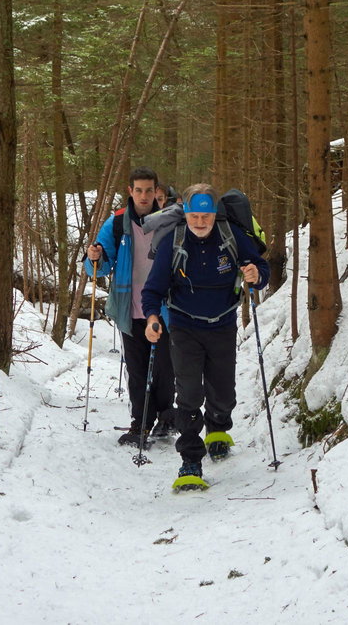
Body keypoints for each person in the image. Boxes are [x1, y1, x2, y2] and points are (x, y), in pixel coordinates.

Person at [141, 183, 269, 489]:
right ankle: (190, 461)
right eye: (195, 216)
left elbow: (261, 268)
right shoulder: (175, 240)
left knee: (223, 391)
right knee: (188, 395)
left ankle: (218, 429)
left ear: (214, 215)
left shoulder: (231, 236)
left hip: (223, 324)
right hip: (184, 327)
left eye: (206, 216)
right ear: (186, 214)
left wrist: (255, 274)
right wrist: (152, 318)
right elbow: (152, 289)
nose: (200, 222)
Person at [85, 167, 175, 446]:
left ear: (157, 191)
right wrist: (93, 257)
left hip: (166, 308)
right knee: (136, 369)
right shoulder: (117, 223)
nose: (144, 195)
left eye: (149, 190)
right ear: (130, 191)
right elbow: (99, 267)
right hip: (130, 306)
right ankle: (141, 422)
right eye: (139, 190)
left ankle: (165, 417)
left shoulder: (170, 221)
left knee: (164, 367)